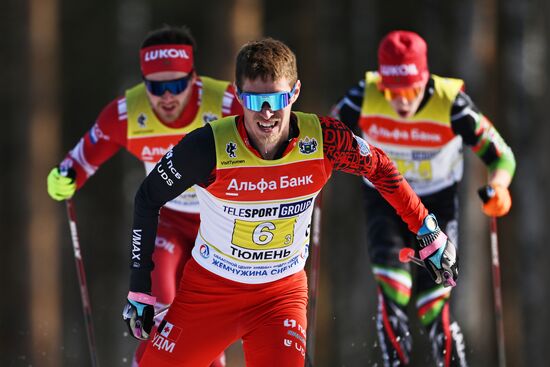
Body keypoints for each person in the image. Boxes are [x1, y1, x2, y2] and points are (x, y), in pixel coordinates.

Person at [121, 37, 458, 367]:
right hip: (211, 293)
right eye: (254, 101)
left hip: (279, 297)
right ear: (238, 95)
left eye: (277, 99)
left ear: (295, 92)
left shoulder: (324, 140)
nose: (266, 114)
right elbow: (148, 198)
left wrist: (427, 230)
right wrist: (140, 290)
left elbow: (381, 168)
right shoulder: (208, 147)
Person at [46, 25, 242, 367]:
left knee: (206, 326)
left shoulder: (225, 103)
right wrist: (63, 178)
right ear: (143, 84)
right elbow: (78, 161)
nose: (167, 97)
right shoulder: (126, 113)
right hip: (165, 221)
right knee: (156, 317)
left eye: (177, 85)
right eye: (157, 87)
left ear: (194, 78)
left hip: (220, 225)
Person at [331, 30, 516, 367]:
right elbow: (323, 140)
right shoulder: (363, 96)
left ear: (425, 79)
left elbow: (502, 155)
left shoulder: (451, 102)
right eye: (392, 92)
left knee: (433, 301)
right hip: (385, 203)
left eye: (412, 91)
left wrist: (499, 187)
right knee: (394, 286)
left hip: (437, 205)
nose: (402, 102)